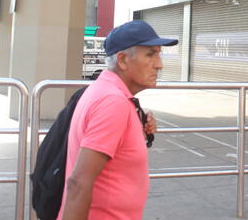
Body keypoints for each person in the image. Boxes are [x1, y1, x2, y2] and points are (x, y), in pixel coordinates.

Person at [58, 20, 178, 220]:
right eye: (150, 54)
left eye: (159, 54)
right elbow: (78, 183)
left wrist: (138, 130)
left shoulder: (107, 93)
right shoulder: (113, 102)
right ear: (122, 60)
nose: (159, 64)